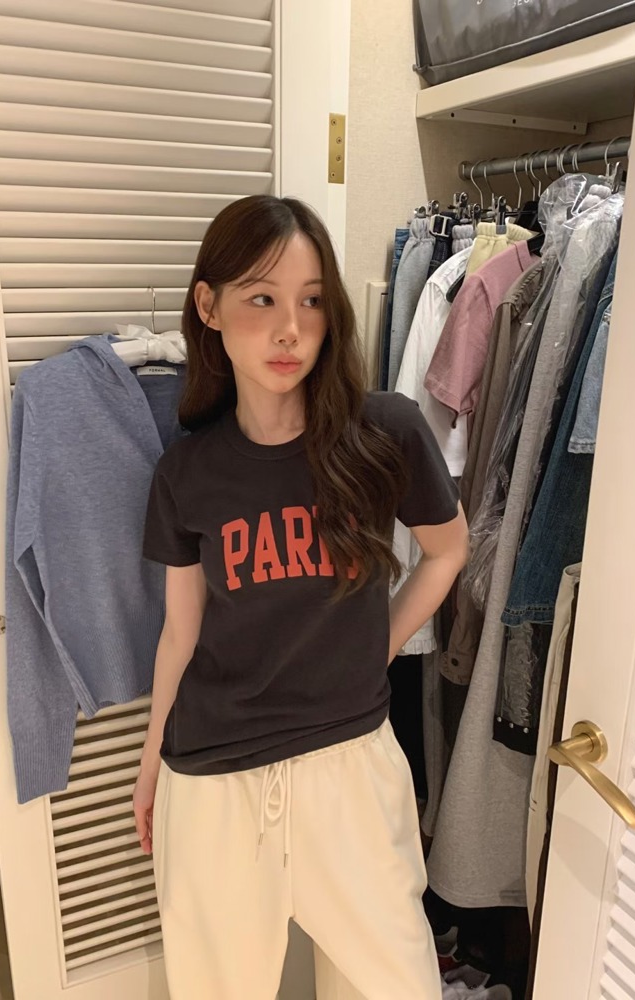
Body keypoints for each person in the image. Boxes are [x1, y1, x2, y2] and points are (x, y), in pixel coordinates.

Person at [132, 194, 469, 1000]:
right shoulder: (186, 473)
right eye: (261, 299)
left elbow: (448, 549)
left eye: (311, 300)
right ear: (208, 307)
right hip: (213, 779)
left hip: (350, 766)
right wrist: (148, 764)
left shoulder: (385, 433)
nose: (290, 329)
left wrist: (376, 645)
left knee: (395, 985)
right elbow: (182, 632)